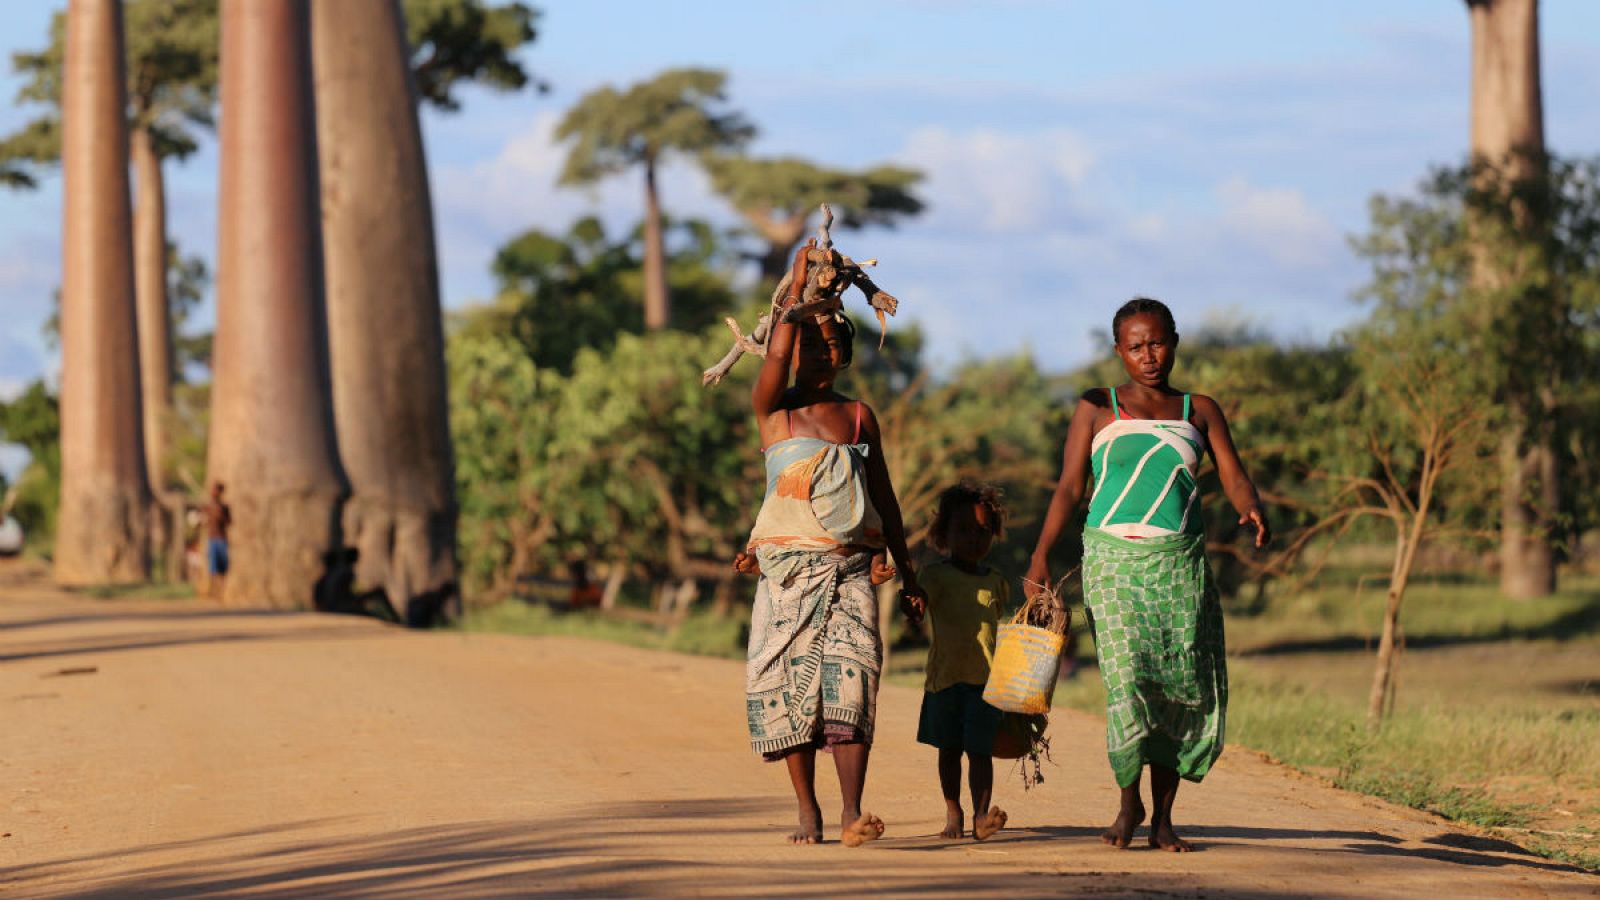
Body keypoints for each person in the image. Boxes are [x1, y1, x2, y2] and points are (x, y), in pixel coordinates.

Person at [1026, 297, 1270, 853]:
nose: (1148, 355)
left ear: (1175, 342)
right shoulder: (1097, 407)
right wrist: (1041, 555)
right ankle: (1126, 801)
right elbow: (1069, 488)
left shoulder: (1199, 410)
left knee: (1176, 689)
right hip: (1111, 561)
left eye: (1157, 342)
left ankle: (1162, 819)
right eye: (1135, 346)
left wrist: (1250, 506)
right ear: (1119, 351)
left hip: (1180, 565)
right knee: (1129, 679)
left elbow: (1233, 475)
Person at [738, 246, 924, 847]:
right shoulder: (775, 412)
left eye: (833, 344)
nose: (823, 354)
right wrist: (798, 287)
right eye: (810, 344)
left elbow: (885, 497)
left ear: (846, 353)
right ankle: (807, 811)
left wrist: (909, 568)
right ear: (793, 349)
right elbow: (775, 352)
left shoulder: (858, 417)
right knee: (791, 690)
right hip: (788, 576)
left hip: (851, 571)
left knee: (854, 682)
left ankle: (851, 810)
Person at [912, 482, 1011, 842]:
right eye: (963, 531)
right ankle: (953, 812)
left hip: (986, 683)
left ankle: (981, 816)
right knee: (949, 751)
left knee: (980, 753)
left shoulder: (997, 582)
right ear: (944, 534)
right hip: (944, 680)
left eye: (982, 531)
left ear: (994, 534)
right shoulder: (934, 576)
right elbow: (919, 606)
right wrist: (914, 606)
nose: (973, 539)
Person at [203, 483, 232, 602]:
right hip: (212, 539)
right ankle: (213, 592)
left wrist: (221, 515)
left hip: (222, 539)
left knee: (223, 568)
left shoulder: (224, 508)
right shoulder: (207, 507)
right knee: (213, 567)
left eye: (217, 491)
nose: (214, 493)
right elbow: (202, 522)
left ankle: (222, 592)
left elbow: (229, 522)